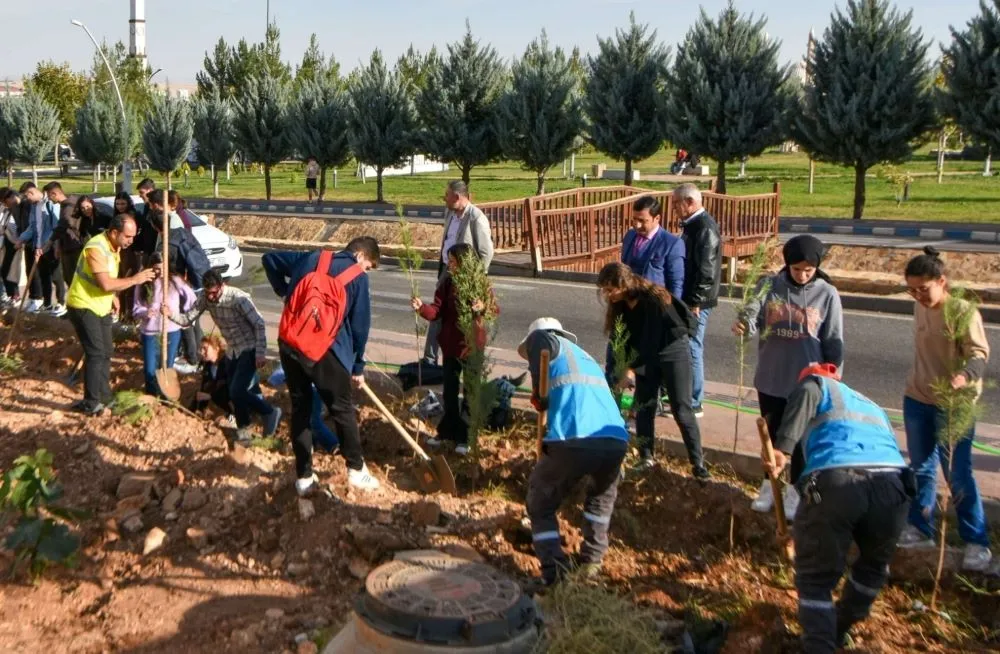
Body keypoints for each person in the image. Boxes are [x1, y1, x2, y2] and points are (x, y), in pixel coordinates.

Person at [766, 363, 912, 654]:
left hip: (839, 479)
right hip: (894, 488)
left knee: (815, 579)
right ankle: (838, 628)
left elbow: (807, 390)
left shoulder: (816, 386)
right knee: (872, 567)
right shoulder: (871, 406)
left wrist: (781, 449)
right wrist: (800, 530)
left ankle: (820, 644)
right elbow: (805, 492)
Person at [733, 234, 844, 519]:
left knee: (800, 440)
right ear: (787, 265)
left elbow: (833, 338)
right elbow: (752, 311)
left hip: (807, 382)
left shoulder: (827, 294)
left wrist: (833, 373)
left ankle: (796, 490)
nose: (803, 276)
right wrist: (744, 323)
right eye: (797, 270)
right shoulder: (770, 285)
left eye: (809, 271)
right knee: (771, 437)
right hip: (772, 376)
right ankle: (770, 485)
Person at [896, 247, 992, 572]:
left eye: (924, 289)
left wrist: (964, 376)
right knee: (920, 468)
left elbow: (979, 354)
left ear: (942, 281)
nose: (918, 295)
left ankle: (978, 542)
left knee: (957, 474)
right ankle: (920, 528)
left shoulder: (963, 312)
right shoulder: (919, 307)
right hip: (918, 399)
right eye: (912, 289)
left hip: (954, 405)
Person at [262, 237, 382, 496]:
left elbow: (269, 259)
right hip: (326, 352)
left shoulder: (311, 257)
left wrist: (284, 292)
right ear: (360, 256)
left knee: (301, 409)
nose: (366, 271)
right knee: (342, 410)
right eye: (369, 266)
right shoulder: (357, 277)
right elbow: (360, 327)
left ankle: (304, 477)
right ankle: (356, 470)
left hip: (290, 344)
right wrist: (357, 366)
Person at [519, 317, 630, 586]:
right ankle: (592, 563)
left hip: (574, 435)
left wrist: (539, 393)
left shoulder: (544, 340)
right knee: (599, 500)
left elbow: (540, 343)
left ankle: (554, 572)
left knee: (541, 502)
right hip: (614, 438)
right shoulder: (584, 357)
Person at [597, 262, 709, 479]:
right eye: (604, 290)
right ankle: (646, 457)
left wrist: (631, 370)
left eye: (610, 289)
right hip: (646, 356)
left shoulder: (654, 299)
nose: (607, 295)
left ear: (623, 285)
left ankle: (698, 465)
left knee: (681, 409)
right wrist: (621, 367)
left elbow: (651, 339)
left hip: (672, 351)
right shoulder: (620, 306)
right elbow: (621, 340)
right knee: (644, 405)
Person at [169, 270, 281, 444]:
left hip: (248, 348)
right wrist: (170, 314)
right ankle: (249, 424)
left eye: (214, 292)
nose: (212, 297)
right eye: (208, 293)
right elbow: (187, 319)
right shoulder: (206, 299)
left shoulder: (237, 298)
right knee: (232, 391)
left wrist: (260, 353)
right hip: (232, 351)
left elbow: (259, 324)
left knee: (237, 390)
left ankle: (266, 414)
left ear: (222, 286)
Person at [410, 243, 497, 456]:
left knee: (470, 392)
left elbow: (493, 308)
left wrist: (481, 309)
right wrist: (422, 308)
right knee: (449, 391)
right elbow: (436, 310)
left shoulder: (479, 283)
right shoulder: (448, 283)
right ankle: (447, 430)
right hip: (450, 346)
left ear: (464, 261)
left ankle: (466, 436)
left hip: (471, 346)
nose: (449, 265)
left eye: (453, 261)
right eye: (449, 261)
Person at [66, 214, 157, 415]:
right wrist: (135, 279)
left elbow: (108, 283)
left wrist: (113, 297)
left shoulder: (113, 246)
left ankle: (105, 397)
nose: (131, 241)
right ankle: (91, 402)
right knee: (96, 353)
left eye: (134, 236)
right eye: (127, 236)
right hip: (83, 305)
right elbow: (105, 283)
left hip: (101, 305)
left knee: (106, 351)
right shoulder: (96, 248)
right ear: (114, 232)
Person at [423, 180, 495, 366]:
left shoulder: (476, 218)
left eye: (446, 195)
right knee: (438, 311)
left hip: (465, 276)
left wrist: (474, 278)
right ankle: (429, 359)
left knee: (463, 319)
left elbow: (486, 252)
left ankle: (467, 359)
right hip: (447, 271)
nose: (444, 199)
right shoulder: (450, 213)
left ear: (456, 197)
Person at [148, 189, 209, 373]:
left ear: (155, 225)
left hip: (181, 285)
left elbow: (169, 269)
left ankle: (192, 359)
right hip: (196, 282)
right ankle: (198, 357)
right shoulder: (181, 232)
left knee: (185, 322)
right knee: (193, 320)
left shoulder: (166, 245)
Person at [674, 183, 721, 418]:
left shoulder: (704, 228)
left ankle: (694, 401)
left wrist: (695, 303)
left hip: (697, 301)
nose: (674, 209)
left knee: (692, 347)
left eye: (676, 204)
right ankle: (682, 393)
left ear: (690, 203)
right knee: (683, 344)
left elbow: (706, 270)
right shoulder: (693, 225)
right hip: (690, 298)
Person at [133, 252, 197, 397]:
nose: (160, 272)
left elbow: (192, 300)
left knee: (167, 367)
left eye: (163, 268)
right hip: (150, 332)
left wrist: (184, 318)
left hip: (172, 331)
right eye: (156, 268)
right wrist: (146, 312)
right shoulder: (143, 284)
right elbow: (136, 309)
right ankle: (151, 396)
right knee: (150, 369)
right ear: (151, 268)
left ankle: (166, 397)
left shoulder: (175, 281)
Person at [16, 183, 66, 316]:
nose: (27, 199)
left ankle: (61, 302)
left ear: (31, 192)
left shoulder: (50, 204)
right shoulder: (34, 207)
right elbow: (32, 227)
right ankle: (47, 303)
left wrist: (48, 245)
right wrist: (22, 238)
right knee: (44, 276)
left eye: (27, 196)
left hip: (50, 245)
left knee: (56, 275)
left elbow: (56, 227)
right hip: (38, 246)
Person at [620, 195, 685, 297]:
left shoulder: (672, 243)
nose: (637, 225)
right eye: (635, 219)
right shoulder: (630, 235)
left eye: (642, 220)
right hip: (628, 300)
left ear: (657, 218)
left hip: (654, 302)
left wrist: (673, 309)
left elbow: (676, 282)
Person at [45, 183, 89, 288]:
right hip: (67, 246)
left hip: (74, 247)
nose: (49, 199)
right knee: (69, 278)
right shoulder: (66, 204)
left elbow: (64, 224)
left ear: (54, 193)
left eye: (49, 196)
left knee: (73, 279)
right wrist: (58, 245)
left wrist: (50, 241)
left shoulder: (69, 206)